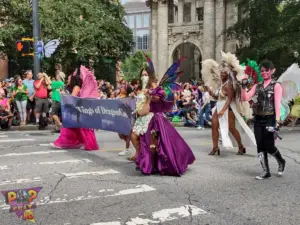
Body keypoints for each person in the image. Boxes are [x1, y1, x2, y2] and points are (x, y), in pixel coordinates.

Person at [135, 58, 195, 176]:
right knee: (147, 142)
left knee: (155, 143)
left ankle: (151, 166)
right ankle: (148, 165)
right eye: (142, 75)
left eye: (146, 74)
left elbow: (159, 98)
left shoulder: (157, 88)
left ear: (150, 75)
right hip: (147, 119)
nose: (144, 77)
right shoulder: (143, 88)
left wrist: (151, 94)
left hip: (156, 119)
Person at [203, 53, 255, 156]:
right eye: (221, 72)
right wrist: (211, 93)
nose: (221, 74)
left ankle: (240, 146)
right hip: (219, 106)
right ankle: (215, 147)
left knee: (231, 128)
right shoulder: (220, 84)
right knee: (214, 125)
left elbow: (230, 99)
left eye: (224, 73)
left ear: (228, 74)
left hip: (229, 108)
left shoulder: (229, 84)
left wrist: (223, 110)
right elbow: (217, 97)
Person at [242, 59, 286, 180]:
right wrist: (243, 87)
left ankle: (281, 161)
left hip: (270, 118)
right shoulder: (257, 86)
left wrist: (277, 121)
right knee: (260, 145)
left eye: (267, 70)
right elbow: (245, 98)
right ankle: (266, 171)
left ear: (272, 71)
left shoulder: (276, 86)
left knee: (269, 145)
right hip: (258, 118)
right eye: (262, 71)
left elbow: (277, 104)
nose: (264, 73)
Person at [51, 65, 99, 151]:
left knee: (68, 128)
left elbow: (72, 98)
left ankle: (63, 143)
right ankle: (79, 142)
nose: (68, 79)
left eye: (69, 78)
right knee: (75, 129)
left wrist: (63, 94)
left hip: (75, 111)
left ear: (73, 79)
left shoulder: (76, 87)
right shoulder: (76, 87)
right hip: (76, 111)